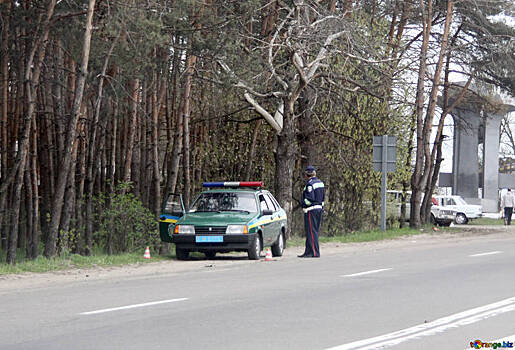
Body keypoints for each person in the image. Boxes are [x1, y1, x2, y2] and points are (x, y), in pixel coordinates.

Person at [298, 165, 325, 258]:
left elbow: (310, 198)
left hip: (311, 210)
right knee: (313, 231)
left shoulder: (310, 184)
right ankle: (308, 251)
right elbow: (322, 198)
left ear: (307, 175)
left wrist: (302, 203)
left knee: (311, 231)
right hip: (319, 209)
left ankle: (314, 252)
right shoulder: (320, 183)